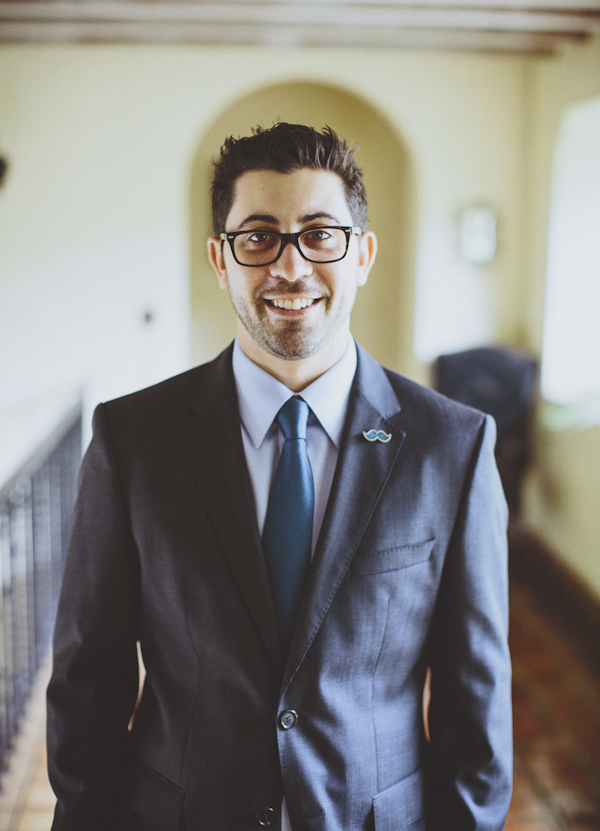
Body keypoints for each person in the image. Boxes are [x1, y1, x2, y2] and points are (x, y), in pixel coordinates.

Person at [47, 123, 512, 831]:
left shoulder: (454, 445)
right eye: (258, 237)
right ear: (220, 258)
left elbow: (475, 700)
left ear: (362, 254)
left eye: (320, 234)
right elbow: (90, 680)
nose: (290, 268)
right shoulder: (132, 440)